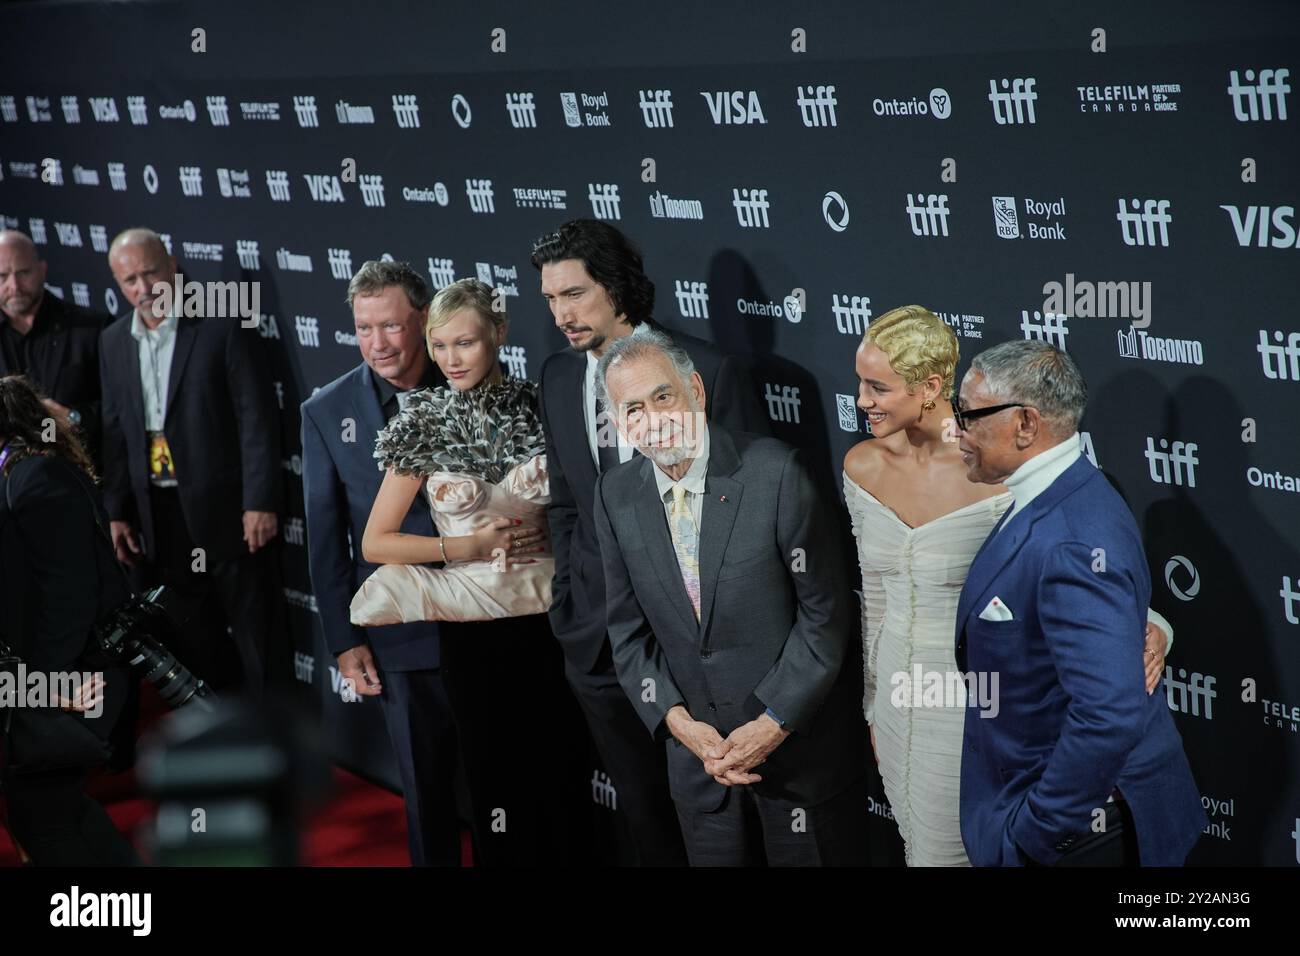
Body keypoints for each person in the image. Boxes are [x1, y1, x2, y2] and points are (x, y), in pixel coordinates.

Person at [844, 306, 1175, 866]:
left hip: (976, 711)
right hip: (896, 707)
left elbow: (1088, 573)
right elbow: (873, 598)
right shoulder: (864, 465)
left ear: (929, 387)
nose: (861, 400)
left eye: (878, 386)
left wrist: (1156, 627)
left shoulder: (1000, 473)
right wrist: (875, 706)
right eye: (860, 383)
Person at [531, 218, 768, 864]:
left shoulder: (709, 374)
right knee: (646, 823)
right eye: (550, 299)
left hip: (696, 659)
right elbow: (565, 504)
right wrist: (570, 609)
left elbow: (749, 514)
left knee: (724, 829)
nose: (560, 314)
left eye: (574, 294)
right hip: (599, 650)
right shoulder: (556, 378)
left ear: (617, 288)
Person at [592, 328, 868, 866]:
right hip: (701, 770)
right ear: (620, 423)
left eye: (663, 396)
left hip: (799, 765)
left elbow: (825, 615)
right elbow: (627, 633)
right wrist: (679, 724)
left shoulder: (775, 473)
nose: (653, 418)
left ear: (695, 388)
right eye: (633, 408)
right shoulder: (616, 495)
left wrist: (771, 723)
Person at [357, 277, 591, 866]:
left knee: (562, 776)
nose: (451, 359)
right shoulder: (425, 422)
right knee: (494, 783)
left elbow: (588, 503)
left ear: (499, 334)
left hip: (552, 624)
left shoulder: (543, 405)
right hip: (473, 635)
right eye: (440, 345)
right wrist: (462, 547)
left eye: (466, 343)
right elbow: (376, 541)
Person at [954, 338, 1205, 866]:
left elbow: (1110, 716)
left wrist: (1037, 831)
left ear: (1026, 424)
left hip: (1086, 836)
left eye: (969, 414)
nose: (957, 429)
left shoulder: (1070, 536)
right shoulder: (1062, 496)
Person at [300, 259, 460, 866]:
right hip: (401, 632)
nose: (377, 344)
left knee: (509, 784)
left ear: (422, 319)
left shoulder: (471, 384)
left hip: (496, 622)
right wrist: (344, 641)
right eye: (364, 329)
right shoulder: (326, 411)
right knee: (425, 790)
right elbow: (325, 537)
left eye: (390, 326)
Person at [100, 228, 281, 695]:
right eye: (130, 280)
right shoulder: (114, 340)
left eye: (151, 273)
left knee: (254, 632)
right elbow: (116, 430)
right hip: (157, 517)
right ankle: (213, 738)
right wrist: (117, 511)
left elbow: (256, 419)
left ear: (173, 265)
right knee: (192, 636)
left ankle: (270, 740)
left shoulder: (221, 323)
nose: (144, 288)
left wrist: (259, 501)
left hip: (228, 511)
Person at [0, 375, 138, 865]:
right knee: (57, 813)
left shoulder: (32, 479)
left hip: (73, 682)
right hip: (57, 681)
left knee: (46, 819)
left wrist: (42, 689)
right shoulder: (28, 471)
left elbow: (69, 597)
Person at [0, 229, 108, 464]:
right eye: (2, 276)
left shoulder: (93, 329)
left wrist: (72, 417)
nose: (14, 286)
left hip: (78, 475)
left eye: (24, 272)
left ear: (42, 270)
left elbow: (119, 410)